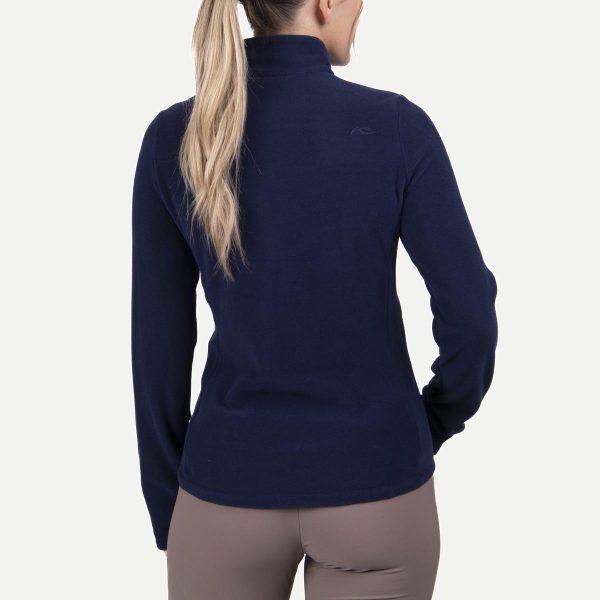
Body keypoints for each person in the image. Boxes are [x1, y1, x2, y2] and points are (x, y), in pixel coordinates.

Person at [131, 0, 498, 598]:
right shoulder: (396, 128)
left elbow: (157, 347)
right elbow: (472, 316)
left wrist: (170, 505)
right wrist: (426, 424)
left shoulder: (176, 136)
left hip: (226, 490)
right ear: (326, 2)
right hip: (376, 485)